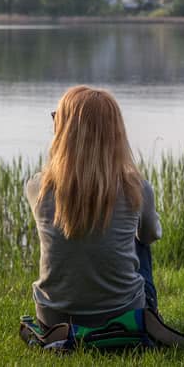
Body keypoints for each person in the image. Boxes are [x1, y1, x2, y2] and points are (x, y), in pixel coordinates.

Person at [25, 86, 162, 330]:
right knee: (141, 241)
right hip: (124, 317)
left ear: (64, 131)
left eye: (57, 118)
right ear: (116, 133)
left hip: (54, 322)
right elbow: (151, 235)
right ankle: (145, 319)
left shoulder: (38, 188)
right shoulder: (137, 189)